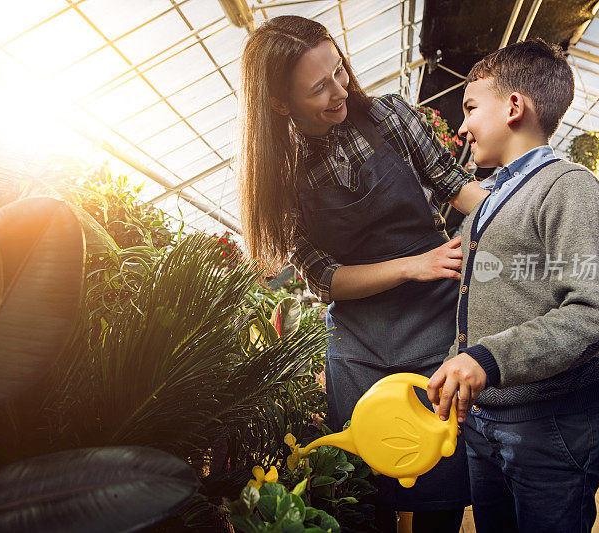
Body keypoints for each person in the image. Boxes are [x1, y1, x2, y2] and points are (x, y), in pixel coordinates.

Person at [236, 15, 488, 532]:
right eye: (318, 87)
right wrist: (409, 266)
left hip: (435, 321)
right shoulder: (279, 177)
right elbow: (323, 279)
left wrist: (530, 208)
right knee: (365, 485)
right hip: (360, 343)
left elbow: (451, 183)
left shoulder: (389, 116)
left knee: (440, 482)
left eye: (339, 71)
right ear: (280, 103)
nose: (339, 92)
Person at [426, 39, 599, 532]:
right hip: (488, 423)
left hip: (550, 425)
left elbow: (593, 312)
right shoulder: (490, 200)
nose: (463, 125)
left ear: (514, 107)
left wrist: (487, 360)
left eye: (470, 107)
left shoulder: (569, 187)